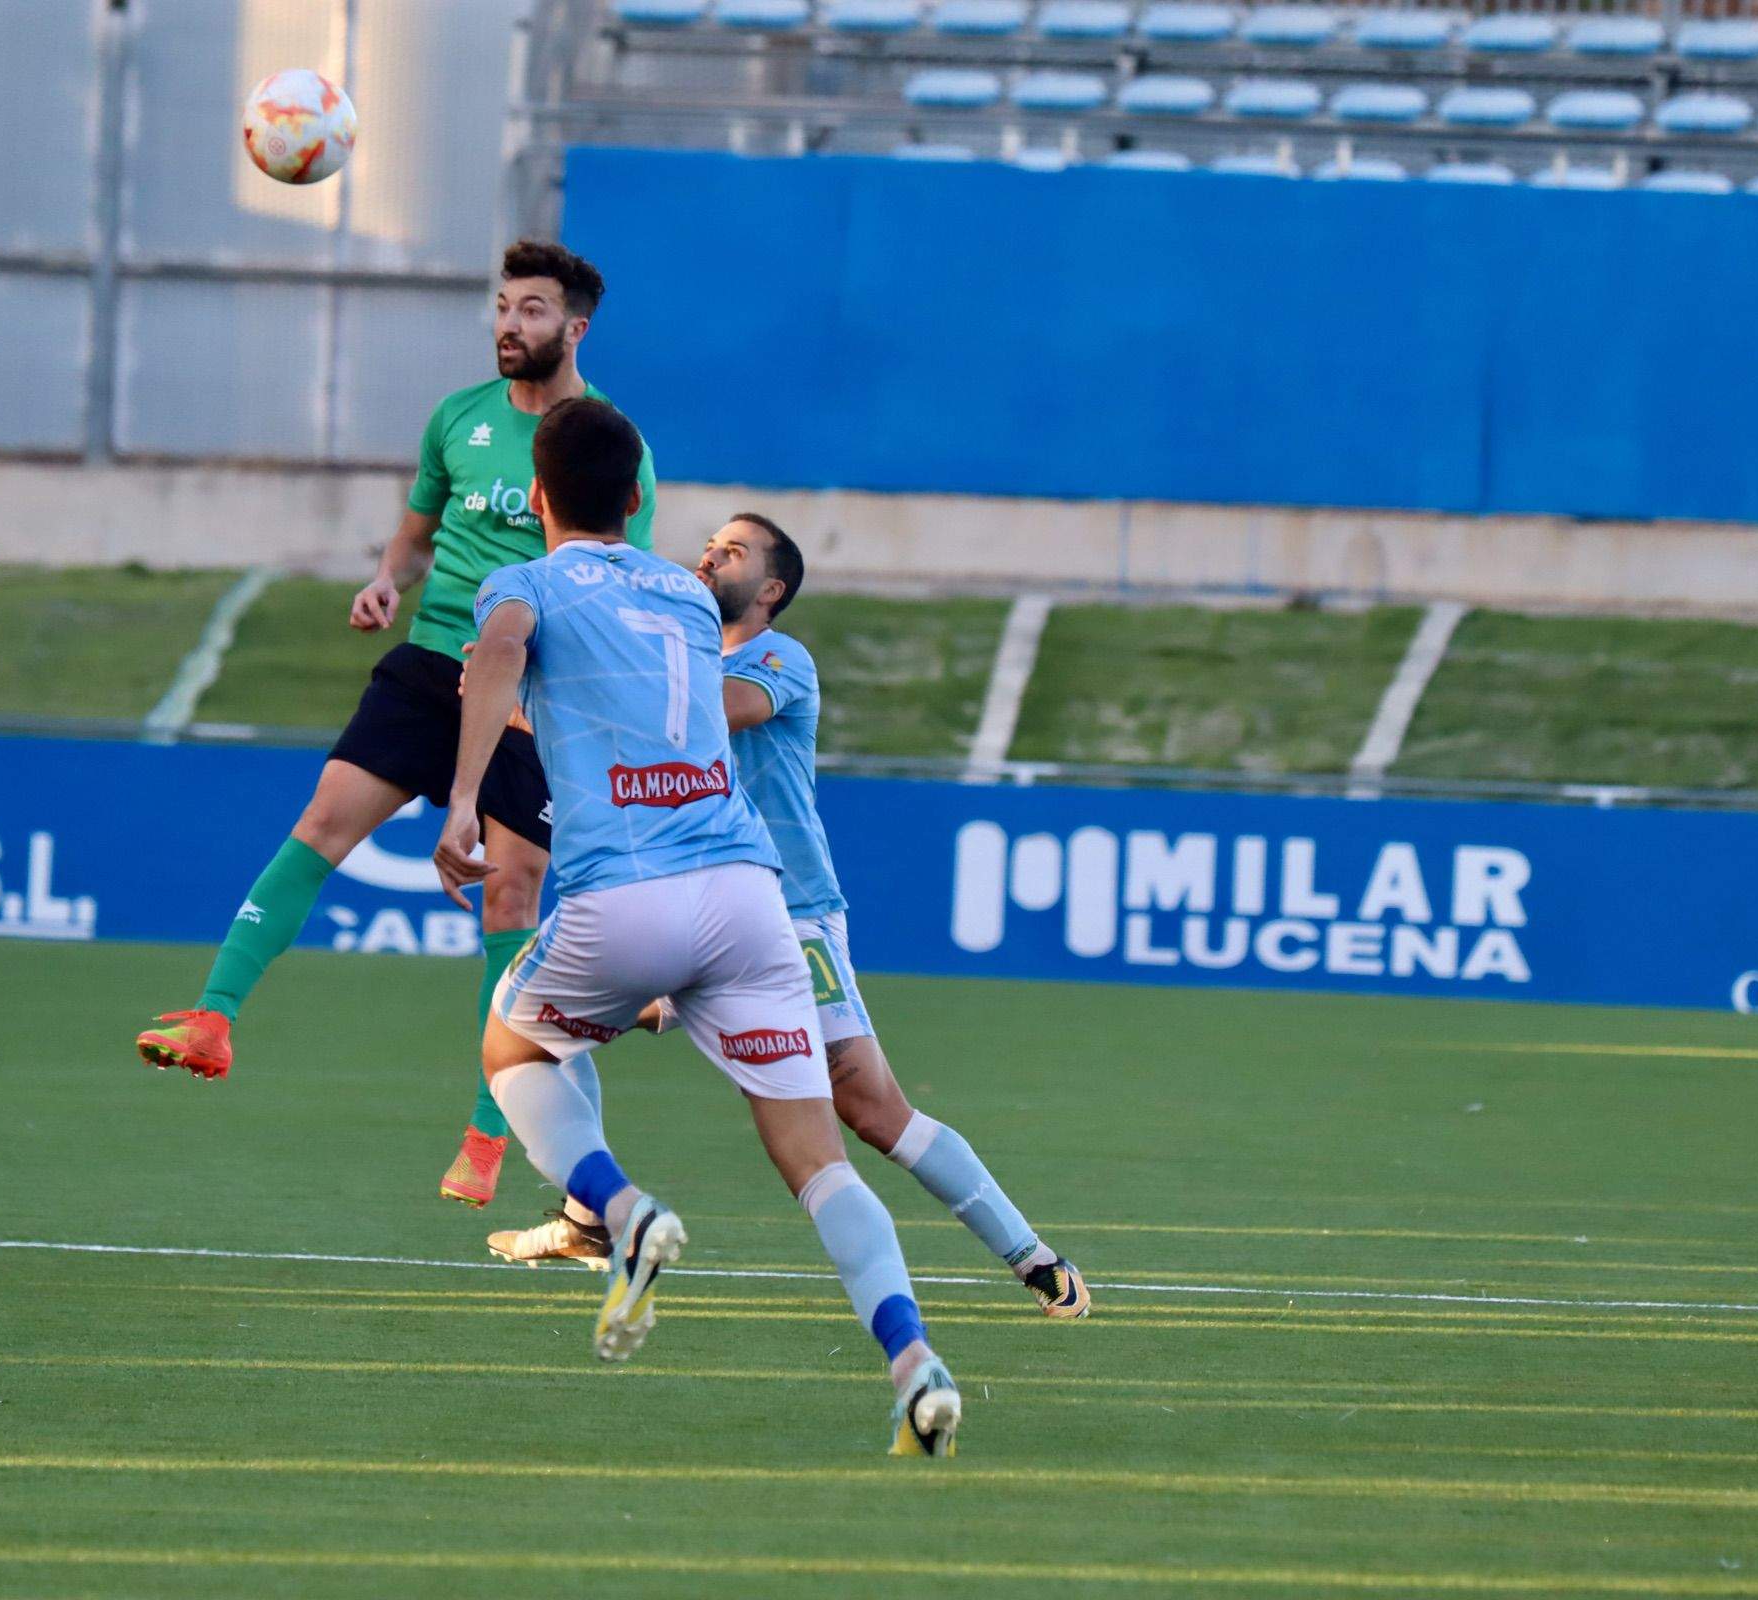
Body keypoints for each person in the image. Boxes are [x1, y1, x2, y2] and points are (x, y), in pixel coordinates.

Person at [438, 398, 963, 1456]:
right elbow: (639, 702)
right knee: (820, 1163)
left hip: (622, 894)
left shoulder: (524, 584)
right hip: (747, 901)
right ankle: (916, 1361)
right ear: (638, 501)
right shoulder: (684, 595)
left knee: (512, 1042)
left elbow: (499, 649)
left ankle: (617, 1208)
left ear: (537, 498)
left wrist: (461, 799)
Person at [136, 241, 654, 1212]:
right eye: (502, 306)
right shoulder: (458, 420)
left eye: (532, 311)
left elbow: (615, 568)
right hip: (428, 666)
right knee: (322, 821)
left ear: (574, 328)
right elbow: (416, 538)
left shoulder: (609, 441)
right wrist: (386, 579)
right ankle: (213, 1014)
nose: (509, 324)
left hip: (530, 696)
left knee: (510, 900)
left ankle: (489, 1130)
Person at [487, 514, 1091, 1319]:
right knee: (547, 1031)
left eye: (733, 551)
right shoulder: (670, 653)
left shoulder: (776, 661)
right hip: (694, 902)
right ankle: (590, 1215)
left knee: (872, 1107)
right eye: (710, 542)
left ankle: (1035, 1258)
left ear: (770, 590)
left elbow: (710, 712)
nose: (709, 554)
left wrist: (563, 683)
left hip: (788, 915)